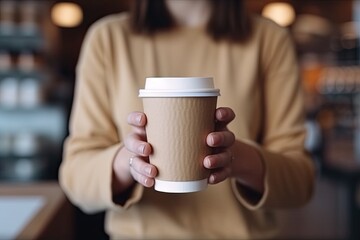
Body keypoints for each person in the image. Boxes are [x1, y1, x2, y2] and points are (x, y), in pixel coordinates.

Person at [59, 0, 316, 239]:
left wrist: (235, 158)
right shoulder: (108, 39)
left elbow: (301, 182)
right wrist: (131, 160)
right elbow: (75, 179)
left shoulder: (269, 40)